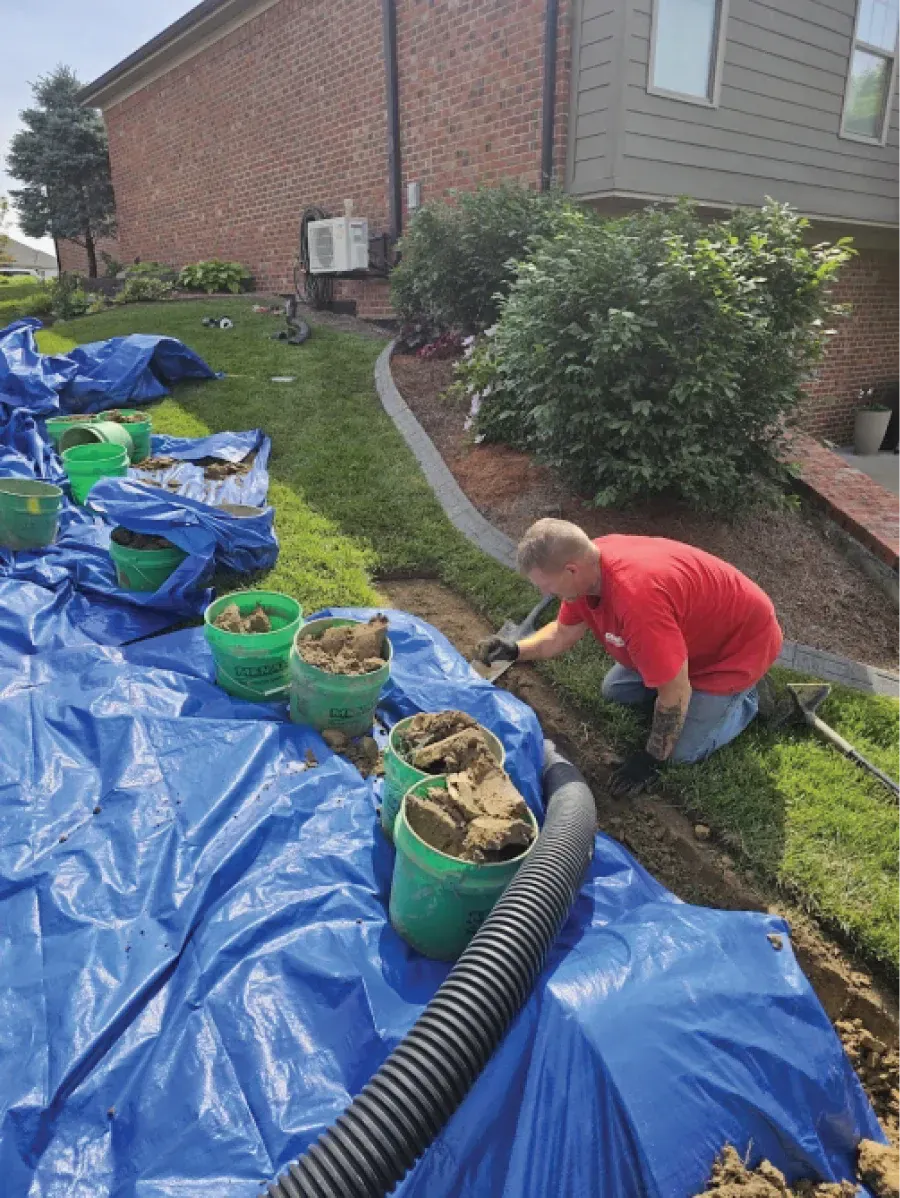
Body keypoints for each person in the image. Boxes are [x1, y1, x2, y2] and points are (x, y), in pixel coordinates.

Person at [476, 519, 783, 797]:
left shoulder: (637, 601)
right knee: (616, 690)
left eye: (546, 585)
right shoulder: (589, 570)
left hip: (736, 648)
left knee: (680, 752)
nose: (545, 592)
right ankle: (672, 662)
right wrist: (516, 650)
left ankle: (749, 699)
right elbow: (561, 634)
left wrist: (651, 757)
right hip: (687, 636)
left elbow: (675, 692)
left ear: (571, 570)